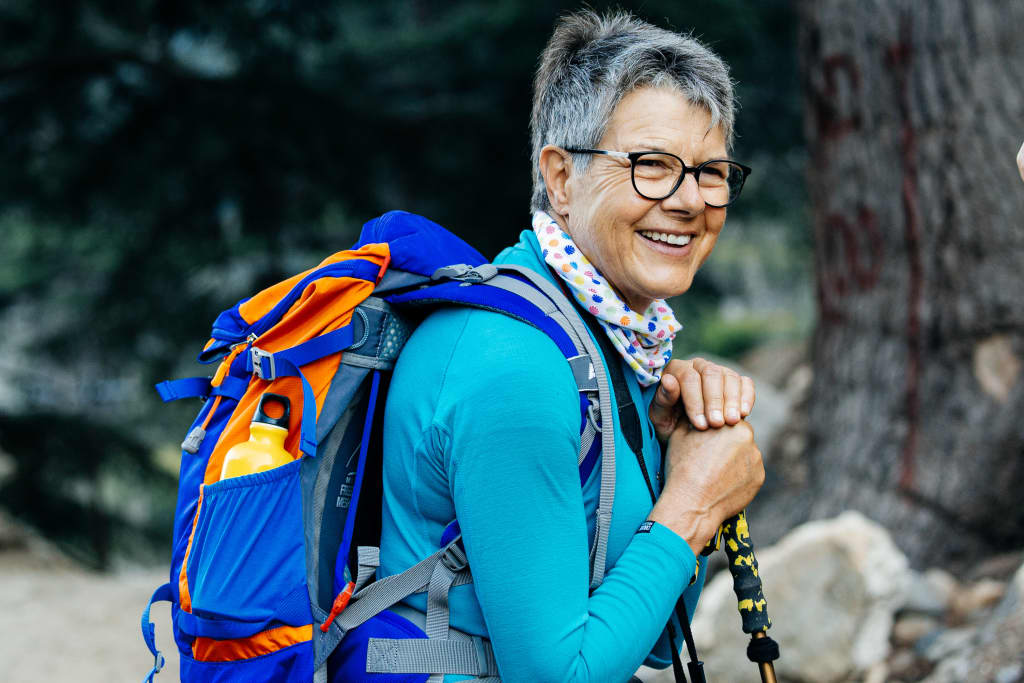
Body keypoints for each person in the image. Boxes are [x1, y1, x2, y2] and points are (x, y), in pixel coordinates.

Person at [377, 10, 765, 682]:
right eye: (651, 165)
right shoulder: (514, 367)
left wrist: (672, 449)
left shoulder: (606, 343)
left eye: (709, 171)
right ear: (560, 177)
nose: (688, 201)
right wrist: (694, 502)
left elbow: (652, 640)